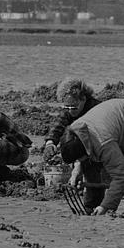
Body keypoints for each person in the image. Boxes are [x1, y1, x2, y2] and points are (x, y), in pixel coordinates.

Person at [60, 97, 124, 215]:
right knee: (91, 164)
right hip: (118, 127)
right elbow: (82, 155)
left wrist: (106, 206)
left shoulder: (102, 142)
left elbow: (122, 175)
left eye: (79, 158)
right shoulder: (74, 131)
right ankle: (92, 205)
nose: (79, 160)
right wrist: (76, 171)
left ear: (84, 149)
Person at [43, 77, 106, 212]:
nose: (70, 110)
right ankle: (89, 203)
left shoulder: (95, 108)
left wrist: (80, 164)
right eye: (67, 107)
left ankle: (93, 204)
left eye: (74, 107)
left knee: (93, 169)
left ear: (83, 98)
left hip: (98, 143)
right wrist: (50, 143)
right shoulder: (69, 108)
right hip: (80, 144)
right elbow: (58, 125)